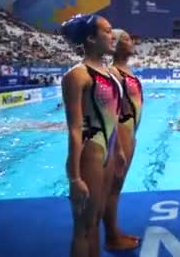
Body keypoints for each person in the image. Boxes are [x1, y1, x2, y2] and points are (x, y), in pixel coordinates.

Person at [60, 14, 126, 257]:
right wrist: (74, 178)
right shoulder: (77, 76)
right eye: (108, 31)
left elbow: (114, 114)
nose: (113, 36)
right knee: (83, 228)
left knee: (96, 217)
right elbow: (75, 128)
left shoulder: (110, 73)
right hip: (91, 150)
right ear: (90, 38)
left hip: (108, 149)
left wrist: (118, 149)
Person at [104, 29, 142, 251]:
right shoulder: (114, 73)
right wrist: (118, 144)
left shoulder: (125, 71)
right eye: (126, 39)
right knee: (113, 188)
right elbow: (113, 113)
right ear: (115, 44)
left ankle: (114, 231)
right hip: (122, 130)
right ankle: (111, 237)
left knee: (117, 187)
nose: (132, 41)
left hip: (130, 130)